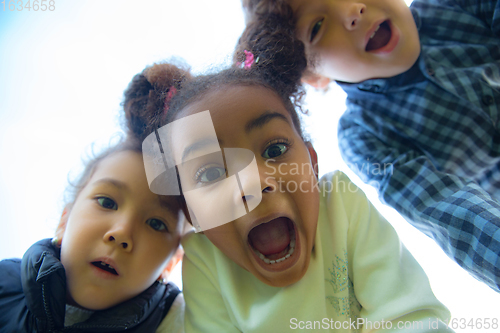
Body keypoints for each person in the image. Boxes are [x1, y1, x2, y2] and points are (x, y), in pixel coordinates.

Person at [127, 48, 453, 330]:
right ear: (191, 212)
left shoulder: (340, 204)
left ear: (312, 163)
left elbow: (409, 317)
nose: (254, 182)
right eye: (211, 172)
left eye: (274, 150)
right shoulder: (204, 260)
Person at [238, 0, 500, 292]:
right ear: (313, 75)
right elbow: (452, 211)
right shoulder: (362, 137)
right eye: (318, 26)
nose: (353, 11)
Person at [0, 86, 188, 332]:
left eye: (156, 223)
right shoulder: (4, 286)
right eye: (107, 202)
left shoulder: (181, 324)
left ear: (171, 263)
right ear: (64, 221)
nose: (121, 234)